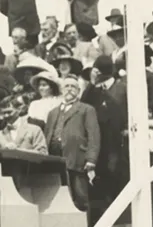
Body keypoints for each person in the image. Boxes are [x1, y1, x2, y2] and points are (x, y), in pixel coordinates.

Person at [44, 75, 100, 214]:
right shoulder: (53, 112)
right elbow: (47, 134)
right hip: (54, 159)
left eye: (73, 87)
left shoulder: (86, 109)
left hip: (77, 159)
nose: (69, 89)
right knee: (58, 197)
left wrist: (91, 159)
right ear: (61, 90)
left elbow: (94, 135)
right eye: (66, 86)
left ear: (79, 90)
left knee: (80, 198)